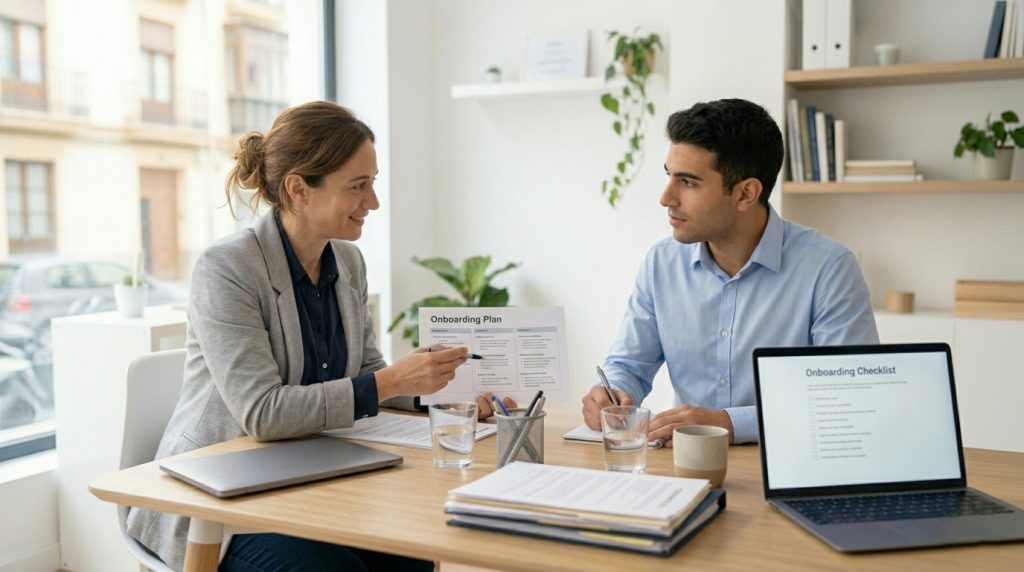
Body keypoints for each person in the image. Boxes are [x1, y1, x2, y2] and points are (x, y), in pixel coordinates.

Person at [127, 101, 508, 571]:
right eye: (357, 186)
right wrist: (392, 381)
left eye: (372, 183)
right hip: (219, 502)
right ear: (298, 189)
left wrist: (436, 394)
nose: (373, 202)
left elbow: (366, 372)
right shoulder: (227, 269)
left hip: (311, 475)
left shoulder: (347, 262)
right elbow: (263, 412)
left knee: (411, 558)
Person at [581, 98, 878, 446]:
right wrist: (612, 392)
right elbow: (628, 365)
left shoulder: (828, 269)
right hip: (685, 461)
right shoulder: (661, 263)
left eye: (688, 182)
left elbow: (847, 397)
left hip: (788, 458)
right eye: (669, 176)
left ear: (746, 193)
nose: (666, 197)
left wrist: (731, 423)